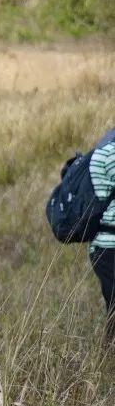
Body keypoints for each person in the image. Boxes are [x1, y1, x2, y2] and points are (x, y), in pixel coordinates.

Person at [89, 128, 115, 341]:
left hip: (102, 247)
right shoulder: (110, 152)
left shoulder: (105, 144)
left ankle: (105, 361)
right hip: (110, 246)